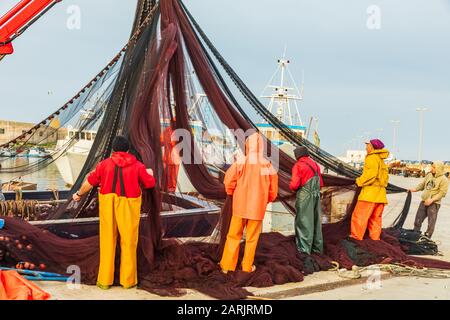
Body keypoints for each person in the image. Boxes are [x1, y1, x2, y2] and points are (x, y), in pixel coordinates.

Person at [72, 136, 155, 289]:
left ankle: (104, 281)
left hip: (108, 205)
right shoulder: (138, 166)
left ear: (113, 150)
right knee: (129, 242)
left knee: (107, 241)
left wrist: (78, 194)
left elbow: (89, 183)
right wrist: (149, 172)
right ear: (128, 150)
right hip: (129, 206)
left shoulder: (103, 165)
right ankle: (128, 281)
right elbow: (150, 184)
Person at [220, 132, 278, 273]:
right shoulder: (267, 165)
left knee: (233, 236)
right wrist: (265, 200)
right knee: (252, 240)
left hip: (240, 207)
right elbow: (273, 190)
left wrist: (231, 192)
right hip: (257, 209)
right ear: (261, 146)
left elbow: (229, 180)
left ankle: (227, 267)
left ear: (248, 145)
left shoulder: (241, 161)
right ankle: (247, 268)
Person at [350, 139, 389, 241]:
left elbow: (371, 175)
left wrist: (359, 181)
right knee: (375, 219)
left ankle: (356, 238)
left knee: (359, 217)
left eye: (367, 145)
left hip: (369, 195)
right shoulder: (381, 160)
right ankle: (375, 241)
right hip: (380, 196)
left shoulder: (371, 157)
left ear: (372, 147)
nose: (366, 147)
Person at [289, 146, 324, 255]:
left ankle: (304, 250)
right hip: (316, 196)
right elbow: (321, 184)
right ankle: (317, 250)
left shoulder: (298, 165)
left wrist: (291, 187)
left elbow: (294, 185)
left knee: (304, 222)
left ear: (297, 155)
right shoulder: (316, 165)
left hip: (305, 196)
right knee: (316, 222)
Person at [409, 161, 449, 238]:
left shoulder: (444, 179)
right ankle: (415, 235)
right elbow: (422, 185)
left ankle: (427, 238)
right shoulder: (429, 175)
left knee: (431, 223)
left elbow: (442, 193)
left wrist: (431, 200)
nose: (432, 168)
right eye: (432, 166)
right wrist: (414, 189)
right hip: (424, 202)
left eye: (434, 167)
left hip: (434, 204)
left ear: (439, 168)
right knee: (418, 220)